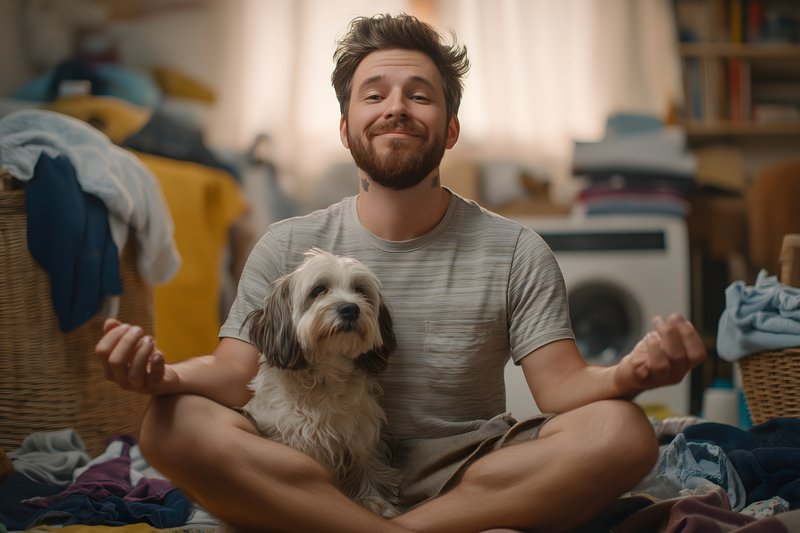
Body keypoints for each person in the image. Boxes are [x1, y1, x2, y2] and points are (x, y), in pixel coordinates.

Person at [95, 13, 707, 533]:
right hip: (309, 468)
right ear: (345, 128)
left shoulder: (516, 248)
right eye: (374, 93)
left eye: (419, 94)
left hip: (475, 470)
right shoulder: (287, 243)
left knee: (624, 432)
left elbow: (562, 388)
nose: (396, 108)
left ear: (451, 128)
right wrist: (164, 375)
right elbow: (235, 371)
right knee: (173, 422)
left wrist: (629, 373)